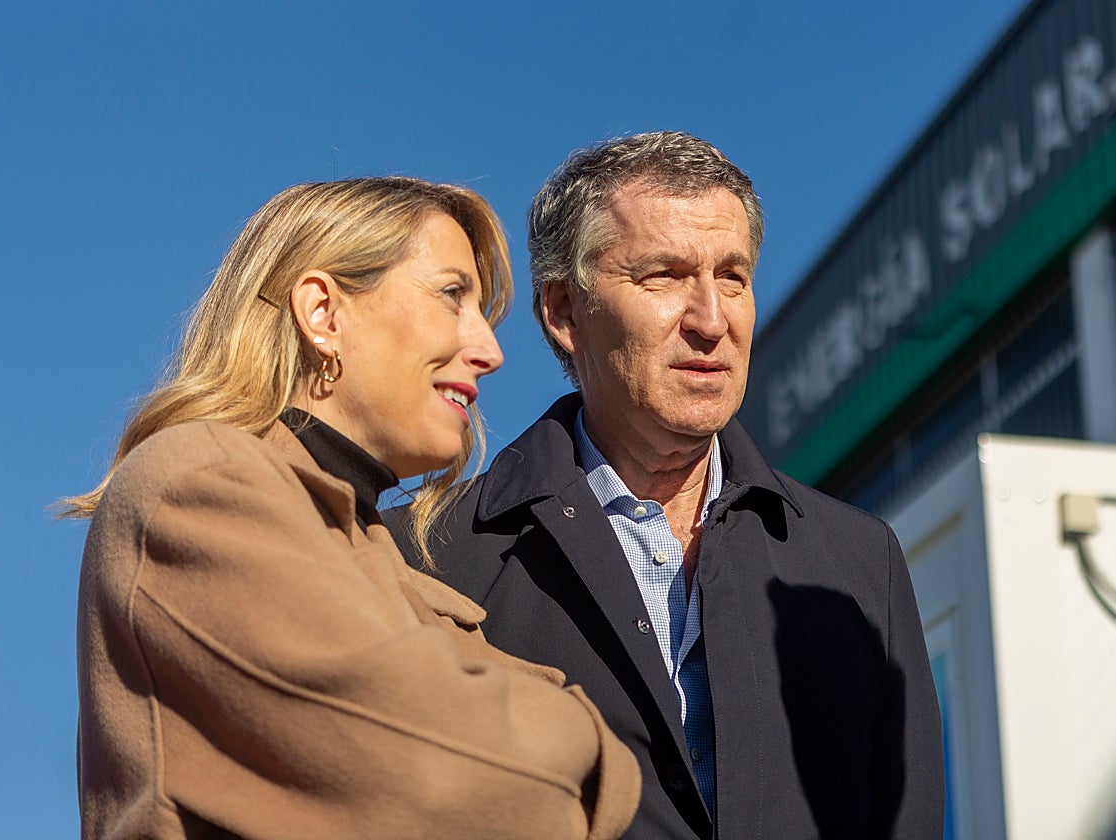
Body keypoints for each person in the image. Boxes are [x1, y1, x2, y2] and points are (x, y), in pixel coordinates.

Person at [390, 133, 945, 838]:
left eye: (733, 277)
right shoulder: (429, 559)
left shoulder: (859, 562)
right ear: (563, 312)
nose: (712, 320)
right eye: (664, 277)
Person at [64, 177, 640, 840]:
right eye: (453, 295)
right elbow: (443, 774)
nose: (490, 351)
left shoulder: (401, 575)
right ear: (322, 313)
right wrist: (586, 744)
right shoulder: (197, 486)